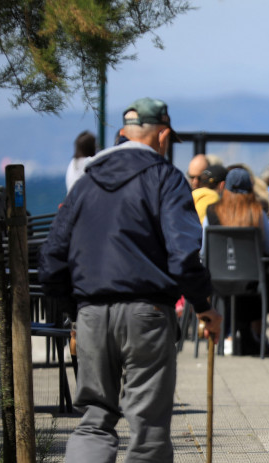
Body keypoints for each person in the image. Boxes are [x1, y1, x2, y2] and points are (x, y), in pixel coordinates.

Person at [39, 97, 222, 462]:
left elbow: (52, 258)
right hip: (147, 312)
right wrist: (204, 306)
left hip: (91, 312)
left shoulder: (87, 182)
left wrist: (74, 312)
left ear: (124, 134)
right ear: (163, 136)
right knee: (148, 429)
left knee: (94, 421)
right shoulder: (166, 179)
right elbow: (184, 254)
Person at [204, 167, 269, 355]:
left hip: (218, 282)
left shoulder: (211, 213)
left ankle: (241, 335)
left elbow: (204, 249)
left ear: (224, 187)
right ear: (250, 189)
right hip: (252, 282)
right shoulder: (257, 213)